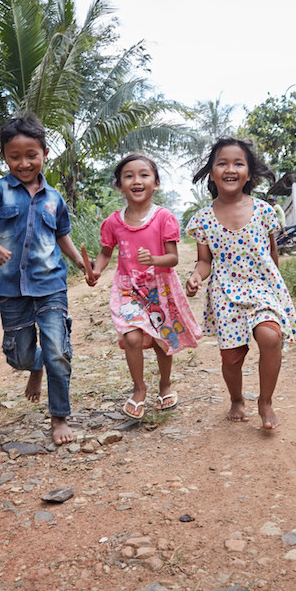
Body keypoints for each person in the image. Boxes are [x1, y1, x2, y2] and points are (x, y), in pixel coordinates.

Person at [0, 114, 88, 446]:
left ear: (45, 152)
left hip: (51, 285)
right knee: (18, 356)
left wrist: (79, 262)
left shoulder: (54, 198)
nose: (24, 162)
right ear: (5, 156)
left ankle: (59, 417)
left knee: (58, 349)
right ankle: (35, 367)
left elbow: (62, 235)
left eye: (31, 154)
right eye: (15, 156)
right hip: (10, 287)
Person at [185, 138, 296, 430]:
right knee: (231, 359)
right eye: (222, 163)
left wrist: (274, 290)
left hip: (261, 287)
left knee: (271, 337)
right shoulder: (203, 219)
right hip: (225, 293)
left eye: (239, 163)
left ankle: (265, 401)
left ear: (249, 174)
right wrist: (197, 276)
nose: (230, 169)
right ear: (212, 173)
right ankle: (236, 399)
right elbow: (204, 261)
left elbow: (272, 255)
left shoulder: (263, 211)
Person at [83, 154, 201, 419]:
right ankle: (139, 390)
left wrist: (154, 259)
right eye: (129, 175)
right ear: (119, 185)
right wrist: (97, 270)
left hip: (160, 288)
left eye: (144, 175)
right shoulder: (113, 222)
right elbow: (105, 253)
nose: (137, 180)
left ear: (155, 183)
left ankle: (165, 384)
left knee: (162, 340)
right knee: (132, 337)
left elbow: (173, 258)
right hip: (128, 290)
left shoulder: (164, 218)